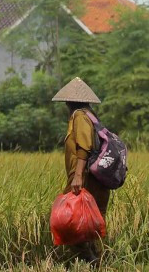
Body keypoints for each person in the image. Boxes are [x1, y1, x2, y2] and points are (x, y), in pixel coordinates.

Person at [53, 77, 108, 263]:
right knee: (87, 225)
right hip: (94, 181)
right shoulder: (91, 116)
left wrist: (77, 176)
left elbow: (83, 147)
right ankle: (96, 262)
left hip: (85, 180)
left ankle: (92, 261)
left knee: (67, 222)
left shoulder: (79, 117)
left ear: (70, 101)